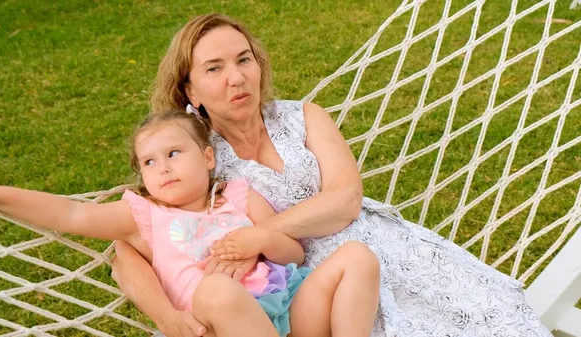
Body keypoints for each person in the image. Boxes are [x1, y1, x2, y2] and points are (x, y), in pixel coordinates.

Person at [111, 12, 553, 337]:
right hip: (318, 288)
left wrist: (259, 237)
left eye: (244, 60)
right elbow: (126, 248)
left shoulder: (303, 116)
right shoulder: (192, 158)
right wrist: (168, 319)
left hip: (389, 250)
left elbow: (346, 199)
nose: (237, 77)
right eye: (214, 68)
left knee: (495, 318)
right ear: (190, 91)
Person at [0, 109, 381, 337]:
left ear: (208, 158)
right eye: (150, 162)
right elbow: (69, 213)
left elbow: (294, 252)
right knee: (216, 291)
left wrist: (260, 237)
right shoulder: (143, 216)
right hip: (226, 326)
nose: (163, 168)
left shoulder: (237, 195)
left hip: (288, 308)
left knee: (358, 258)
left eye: (174, 153)